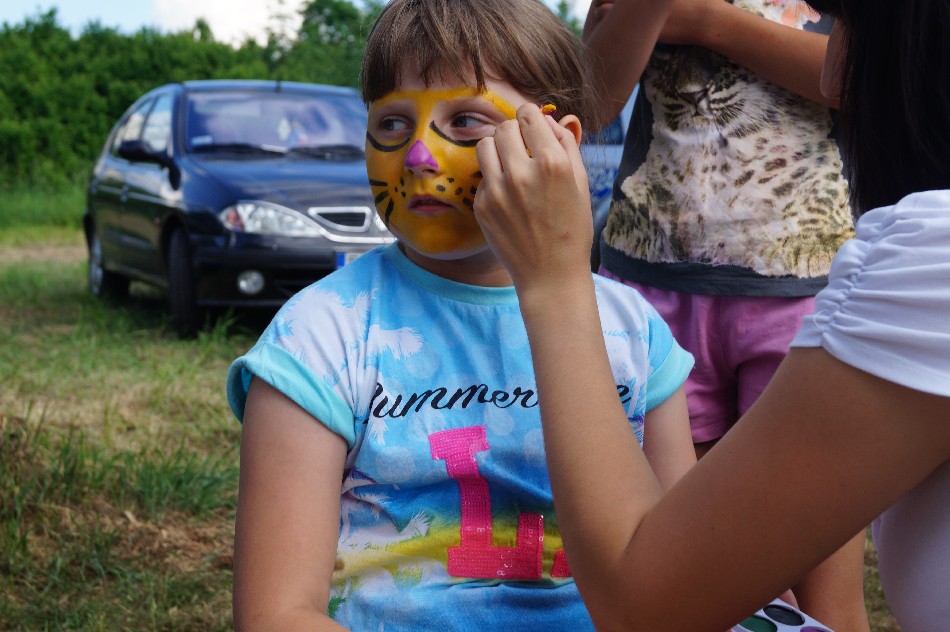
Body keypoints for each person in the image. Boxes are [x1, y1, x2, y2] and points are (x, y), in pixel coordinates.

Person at [472, 0, 950, 630]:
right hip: (656, 274)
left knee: (819, 590)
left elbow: (645, 601)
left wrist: (704, 22)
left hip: (799, 278)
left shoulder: (920, 264)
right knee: (707, 555)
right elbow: (593, 97)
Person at [225, 1, 696, 630]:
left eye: (468, 121)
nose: (419, 155)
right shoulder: (319, 337)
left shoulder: (636, 335)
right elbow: (276, 613)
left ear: (557, 144)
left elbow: (684, 569)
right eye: (393, 123)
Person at [581, 0, 866, 627]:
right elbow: (591, 102)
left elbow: (861, 76)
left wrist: (707, 22)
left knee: (823, 578)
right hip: (649, 295)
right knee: (690, 572)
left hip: (808, 288)